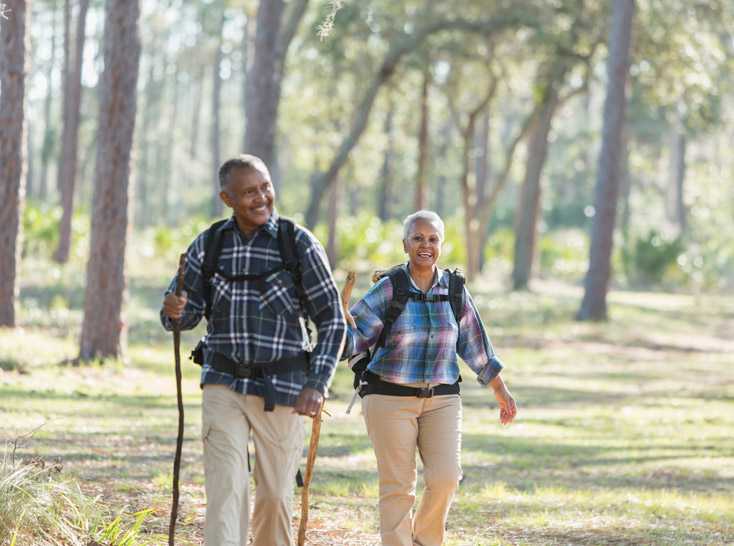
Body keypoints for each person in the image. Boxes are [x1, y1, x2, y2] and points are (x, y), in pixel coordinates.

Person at [160, 154, 346, 546]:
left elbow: (332, 320)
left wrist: (319, 382)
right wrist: (173, 309)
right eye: (249, 192)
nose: (261, 197)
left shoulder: (297, 244)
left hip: (284, 388)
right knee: (226, 490)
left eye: (265, 187)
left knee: (275, 495)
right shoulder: (209, 244)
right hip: (222, 383)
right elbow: (185, 312)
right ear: (227, 199)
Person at [343, 210, 517, 546]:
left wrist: (501, 390)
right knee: (397, 486)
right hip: (388, 398)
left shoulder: (454, 290)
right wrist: (338, 327)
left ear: (441, 244)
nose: (426, 245)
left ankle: (424, 540)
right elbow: (355, 338)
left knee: (446, 478)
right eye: (418, 238)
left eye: (433, 238)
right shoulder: (389, 288)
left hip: (442, 399)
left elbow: (475, 344)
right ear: (405, 244)